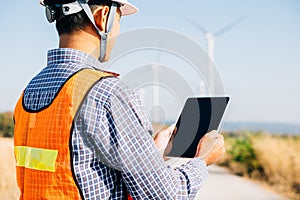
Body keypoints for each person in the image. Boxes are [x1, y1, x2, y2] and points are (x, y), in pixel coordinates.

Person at [13, 0, 225, 199]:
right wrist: (202, 161)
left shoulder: (29, 91)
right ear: (103, 17)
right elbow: (162, 195)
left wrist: (153, 152)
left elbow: (74, 163)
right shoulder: (106, 93)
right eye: (120, 17)